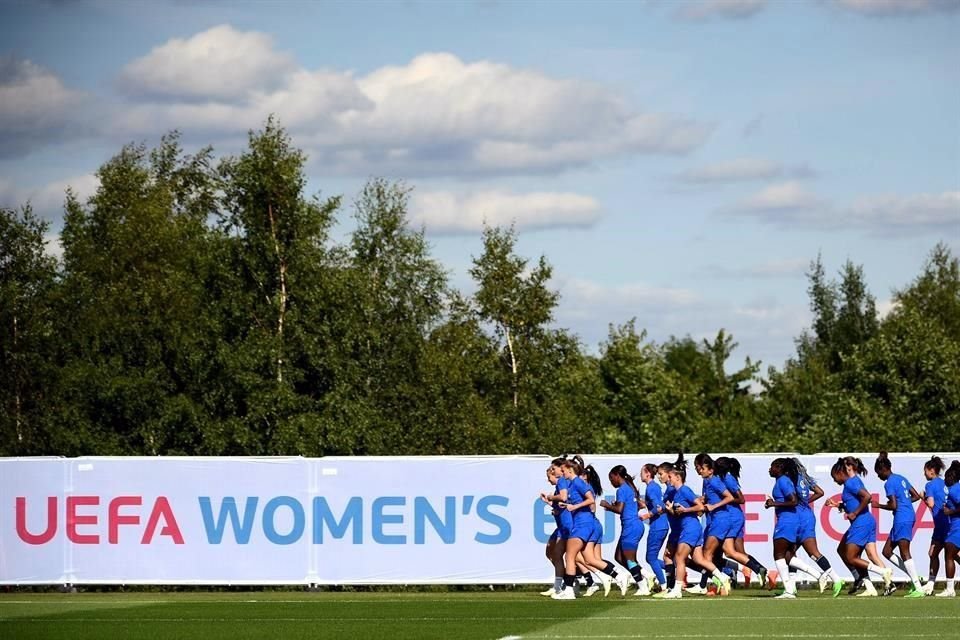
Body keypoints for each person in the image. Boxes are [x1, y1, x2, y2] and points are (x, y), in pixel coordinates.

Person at [658, 453, 732, 599]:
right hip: (692, 528)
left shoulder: (684, 490)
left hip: (690, 528)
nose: (669, 480)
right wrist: (671, 509)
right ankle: (722, 577)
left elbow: (699, 507)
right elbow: (684, 510)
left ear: (677, 477)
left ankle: (677, 590)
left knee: (679, 558)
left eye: (670, 477)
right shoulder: (678, 493)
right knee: (699, 560)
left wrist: (685, 510)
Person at [825, 456, 892, 597]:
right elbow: (853, 502)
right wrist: (837, 505)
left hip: (861, 522)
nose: (834, 480)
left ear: (840, 472)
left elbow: (867, 497)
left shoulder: (850, 483)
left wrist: (855, 513)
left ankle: (883, 572)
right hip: (866, 521)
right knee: (848, 551)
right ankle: (871, 586)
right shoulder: (852, 483)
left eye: (834, 477)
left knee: (850, 556)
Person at [788, 457, 843, 597]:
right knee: (791, 553)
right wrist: (806, 502)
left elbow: (791, 499)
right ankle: (791, 587)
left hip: (799, 520)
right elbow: (820, 492)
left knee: (808, 553)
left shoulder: (791, 479)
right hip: (808, 517)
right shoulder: (805, 478)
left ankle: (834, 578)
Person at [872, 451, 924, 596]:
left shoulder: (889, 483)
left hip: (902, 518)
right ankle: (914, 578)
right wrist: (905, 502)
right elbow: (916, 496)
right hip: (906, 516)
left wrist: (879, 505)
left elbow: (894, 505)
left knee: (904, 551)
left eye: (878, 473)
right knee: (886, 551)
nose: (878, 476)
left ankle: (918, 588)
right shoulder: (901, 478)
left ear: (883, 470)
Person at [716, 456, 772, 589]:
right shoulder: (721, 478)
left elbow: (741, 499)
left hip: (733, 517)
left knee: (728, 551)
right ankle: (764, 572)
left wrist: (723, 501)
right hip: (729, 517)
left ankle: (761, 571)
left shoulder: (728, 478)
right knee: (735, 551)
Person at [581, 463, 631, 597]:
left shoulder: (585, 488)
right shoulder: (586, 487)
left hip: (588, 525)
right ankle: (613, 575)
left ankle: (616, 575)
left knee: (585, 559)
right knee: (595, 559)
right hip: (593, 525)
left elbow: (591, 508)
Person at [601, 465, 650, 596]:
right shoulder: (629, 487)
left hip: (631, 527)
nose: (611, 482)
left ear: (617, 476)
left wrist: (607, 505)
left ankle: (643, 587)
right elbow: (638, 504)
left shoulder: (622, 489)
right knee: (618, 557)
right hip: (632, 526)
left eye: (611, 479)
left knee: (629, 559)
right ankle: (646, 575)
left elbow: (620, 509)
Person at [764, 458, 802, 599]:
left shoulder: (783, 481)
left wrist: (774, 503)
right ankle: (821, 574)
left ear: (779, 468)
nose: (770, 469)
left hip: (787, 521)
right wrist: (773, 503)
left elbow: (793, 500)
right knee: (787, 556)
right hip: (788, 521)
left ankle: (789, 590)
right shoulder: (782, 480)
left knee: (778, 555)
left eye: (772, 466)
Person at [538, 460, 569, 596]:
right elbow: (561, 505)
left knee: (577, 558)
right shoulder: (561, 485)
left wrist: (551, 498)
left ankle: (565, 584)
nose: (549, 478)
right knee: (552, 553)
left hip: (566, 526)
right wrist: (551, 503)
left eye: (551, 472)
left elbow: (564, 499)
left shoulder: (562, 482)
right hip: (561, 526)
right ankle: (563, 584)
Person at [640, 463, 669, 592]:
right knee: (651, 557)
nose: (640, 474)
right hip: (661, 525)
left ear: (647, 473)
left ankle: (664, 586)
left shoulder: (651, 488)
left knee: (651, 558)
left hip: (658, 526)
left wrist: (647, 515)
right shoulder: (654, 487)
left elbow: (659, 507)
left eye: (642, 472)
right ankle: (672, 570)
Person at [922, 456, 948, 595]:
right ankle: (930, 584)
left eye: (925, 471)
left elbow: (931, 504)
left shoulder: (930, 485)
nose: (924, 474)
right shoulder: (944, 483)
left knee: (940, 554)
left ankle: (931, 583)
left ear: (931, 470)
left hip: (942, 524)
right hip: (947, 523)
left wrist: (923, 497)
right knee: (933, 553)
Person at [937, 459, 960, 598]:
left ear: (950, 478)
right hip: (955, 527)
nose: (944, 479)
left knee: (949, 555)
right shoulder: (955, 488)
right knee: (954, 554)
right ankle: (950, 588)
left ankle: (950, 589)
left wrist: (949, 512)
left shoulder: (954, 490)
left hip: (958, 528)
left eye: (946, 477)